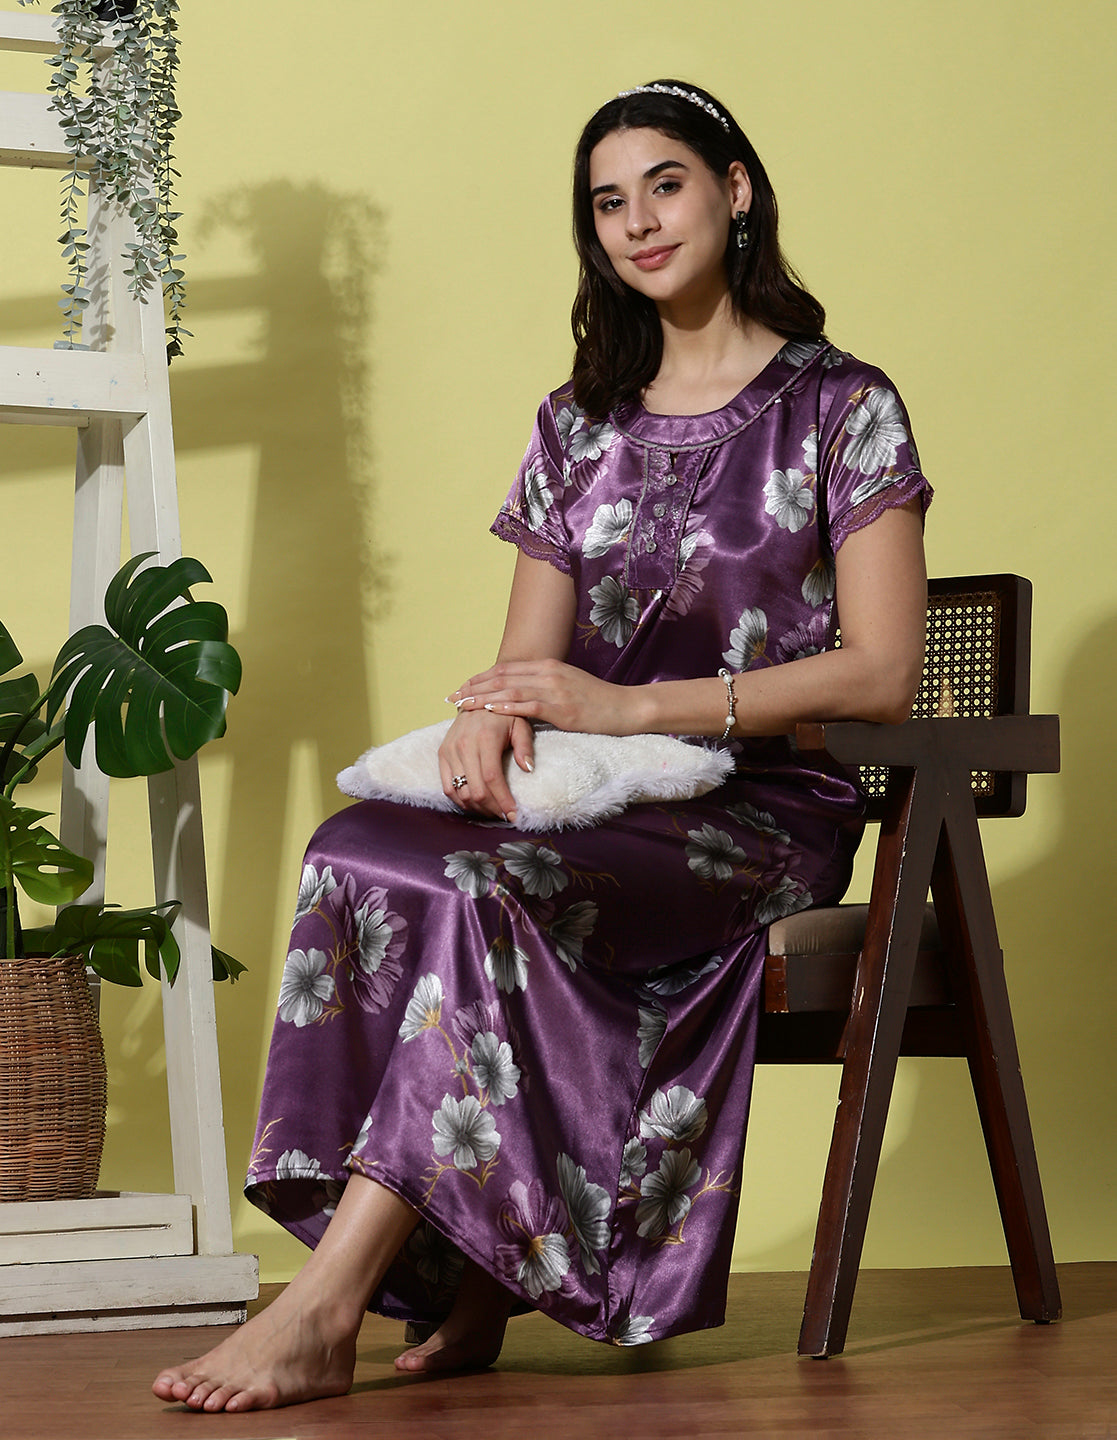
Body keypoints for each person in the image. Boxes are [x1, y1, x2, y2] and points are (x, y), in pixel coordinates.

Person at [153, 79, 929, 1413]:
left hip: (757, 812)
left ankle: (322, 1310)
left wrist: (628, 707)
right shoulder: (579, 422)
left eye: (665, 185)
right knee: (358, 847)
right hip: (592, 798)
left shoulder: (843, 406)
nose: (639, 222)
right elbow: (529, 656)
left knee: (476, 888)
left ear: (735, 190)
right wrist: (489, 712)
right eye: (608, 202)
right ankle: (468, 1269)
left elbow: (882, 673)